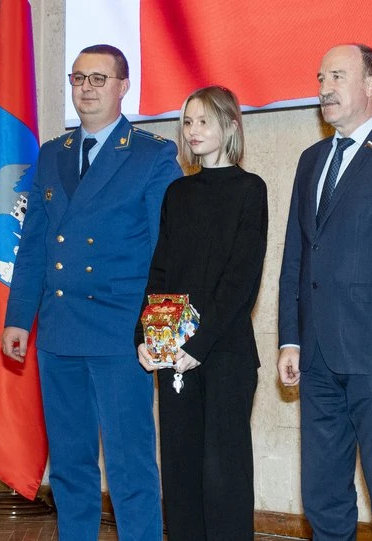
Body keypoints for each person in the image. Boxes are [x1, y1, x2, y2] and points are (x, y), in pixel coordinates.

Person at [1, 44, 181, 540]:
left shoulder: (152, 154)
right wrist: (18, 318)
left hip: (123, 336)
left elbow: (169, 251)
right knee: (69, 466)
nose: (87, 88)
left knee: (130, 466)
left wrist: (162, 338)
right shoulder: (52, 154)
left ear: (124, 86)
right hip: (59, 333)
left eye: (99, 79)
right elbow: (34, 244)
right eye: (79, 78)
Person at [277, 44, 372, 540]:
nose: (325, 89)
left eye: (337, 77)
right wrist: (290, 339)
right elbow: (297, 257)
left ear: (371, 84)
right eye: (321, 78)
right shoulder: (311, 159)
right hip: (316, 356)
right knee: (322, 491)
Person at [136, 85, 268, 541]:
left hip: (225, 353)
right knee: (180, 471)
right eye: (188, 122)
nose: (193, 131)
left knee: (223, 475)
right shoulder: (178, 192)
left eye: (204, 121)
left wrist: (199, 343)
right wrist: (146, 337)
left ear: (230, 125)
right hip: (174, 353)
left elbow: (241, 281)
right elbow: (161, 271)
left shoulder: (250, 189)